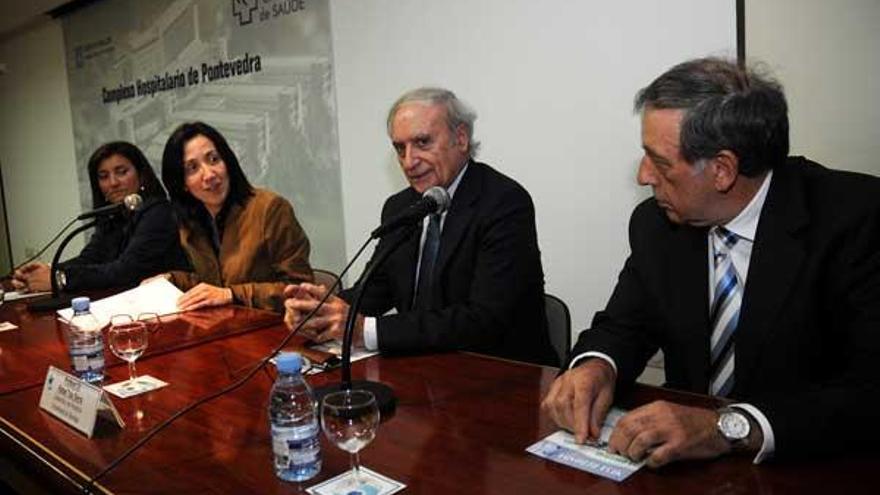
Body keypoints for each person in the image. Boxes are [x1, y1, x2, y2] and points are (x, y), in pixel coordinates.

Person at [542, 57, 880, 467]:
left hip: (808, 465)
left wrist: (729, 428)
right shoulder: (656, 224)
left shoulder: (857, 220)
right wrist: (597, 365)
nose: (644, 176)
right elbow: (624, 325)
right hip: (682, 470)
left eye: (661, 162)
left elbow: (868, 390)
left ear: (722, 170)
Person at [283, 87, 557, 366]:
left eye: (422, 142)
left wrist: (365, 330)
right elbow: (375, 290)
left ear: (460, 138)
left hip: (503, 374)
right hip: (425, 368)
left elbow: (484, 319)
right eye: (400, 148)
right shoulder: (401, 207)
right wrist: (321, 312)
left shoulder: (503, 202)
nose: (409, 162)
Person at [160, 121, 313, 313]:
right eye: (193, 168)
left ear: (228, 162)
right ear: (182, 184)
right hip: (228, 329)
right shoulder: (194, 222)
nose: (209, 174)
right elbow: (212, 283)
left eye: (214, 159)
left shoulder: (270, 208)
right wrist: (170, 280)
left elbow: (300, 290)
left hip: (276, 330)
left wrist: (232, 294)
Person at [12, 141, 188, 293]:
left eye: (121, 172)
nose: (113, 182)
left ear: (141, 176)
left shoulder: (159, 212)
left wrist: (61, 279)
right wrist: (45, 273)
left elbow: (125, 271)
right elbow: (89, 259)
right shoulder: (113, 216)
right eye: (103, 177)